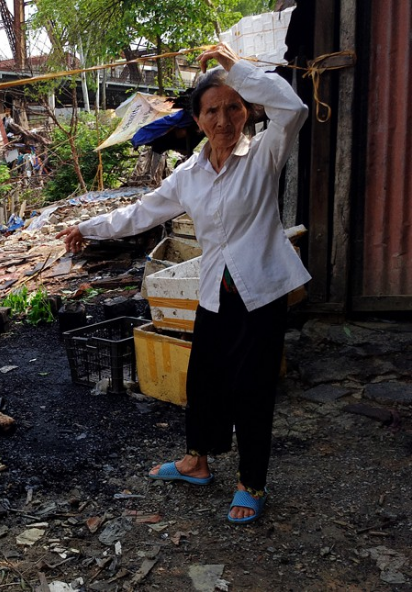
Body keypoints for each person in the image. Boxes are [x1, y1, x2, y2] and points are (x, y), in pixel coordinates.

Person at [56, 43, 309, 524]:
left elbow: (292, 107)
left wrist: (237, 68)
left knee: (252, 387)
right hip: (216, 292)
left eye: (234, 107)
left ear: (247, 112)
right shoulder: (188, 175)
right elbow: (139, 212)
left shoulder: (264, 155)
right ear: (198, 120)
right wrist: (86, 228)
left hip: (262, 293)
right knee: (205, 379)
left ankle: (251, 481)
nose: (224, 119)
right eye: (212, 110)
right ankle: (197, 461)